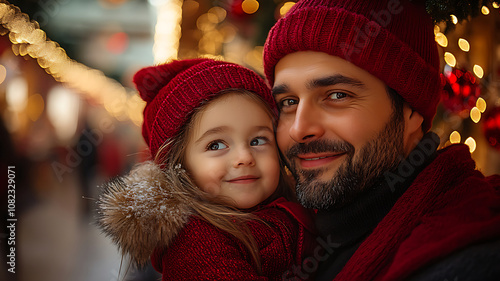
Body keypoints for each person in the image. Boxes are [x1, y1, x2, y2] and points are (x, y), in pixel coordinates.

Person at [262, 0, 500, 280]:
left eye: (337, 95)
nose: (299, 129)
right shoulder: (281, 241)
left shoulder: (471, 258)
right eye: (288, 102)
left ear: (412, 113)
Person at [97, 58, 316, 280]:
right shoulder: (196, 242)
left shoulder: (296, 205)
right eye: (216, 145)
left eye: (258, 140)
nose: (244, 157)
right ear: (178, 165)